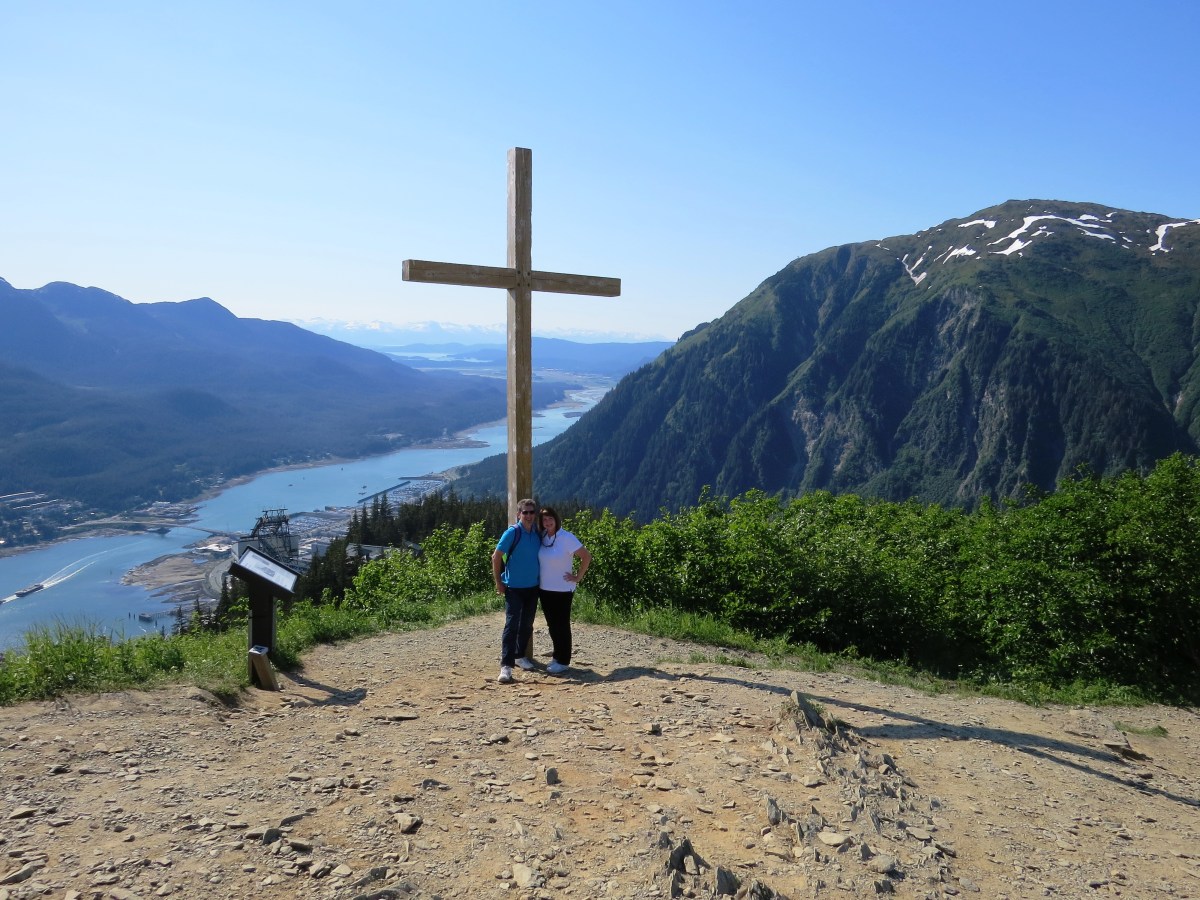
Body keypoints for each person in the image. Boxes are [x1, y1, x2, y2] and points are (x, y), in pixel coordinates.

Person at [536, 505, 591, 674]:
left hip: (562, 589)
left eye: (550, 518)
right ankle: (557, 655)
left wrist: (578, 577)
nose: (547, 522)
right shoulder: (543, 537)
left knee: (562, 625)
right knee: (552, 625)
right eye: (544, 520)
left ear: (556, 519)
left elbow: (586, 556)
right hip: (545, 588)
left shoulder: (567, 537)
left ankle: (564, 660)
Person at [492, 498, 541, 684]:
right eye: (525, 512)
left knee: (527, 624)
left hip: (533, 587)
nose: (528, 515)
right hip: (513, 588)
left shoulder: (537, 533)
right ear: (518, 514)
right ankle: (506, 666)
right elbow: (496, 557)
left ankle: (520, 655)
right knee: (511, 625)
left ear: (535, 514)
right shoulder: (513, 532)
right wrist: (498, 582)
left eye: (531, 512)